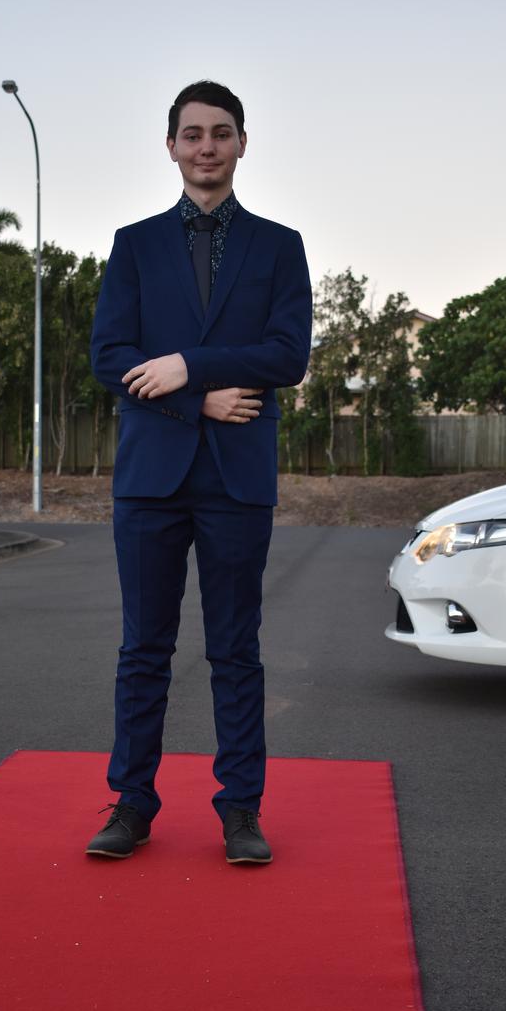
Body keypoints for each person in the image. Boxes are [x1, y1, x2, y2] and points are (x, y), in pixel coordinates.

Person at [86, 80, 311, 864]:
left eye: (221, 132)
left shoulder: (279, 246)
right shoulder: (135, 244)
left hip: (237, 479)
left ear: (243, 143)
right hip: (152, 477)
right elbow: (109, 357)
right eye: (192, 134)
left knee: (234, 650)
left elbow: (289, 356)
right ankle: (132, 804)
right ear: (172, 146)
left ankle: (241, 810)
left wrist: (187, 363)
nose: (206, 146)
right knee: (143, 649)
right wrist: (196, 397)